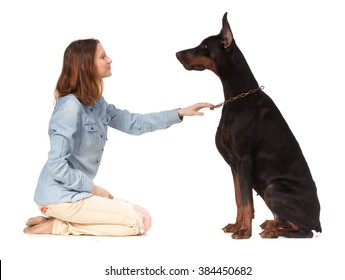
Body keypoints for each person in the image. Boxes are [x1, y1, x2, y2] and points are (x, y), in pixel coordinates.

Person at [23, 38, 214, 236]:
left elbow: (134, 123)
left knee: (144, 217)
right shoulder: (70, 107)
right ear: (86, 65)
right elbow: (56, 166)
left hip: (77, 194)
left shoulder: (97, 104)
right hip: (59, 196)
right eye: (103, 56)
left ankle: (58, 220)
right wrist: (94, 189)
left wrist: (180, 112)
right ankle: (58, 225)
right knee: (137, 223)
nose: (110, 60)